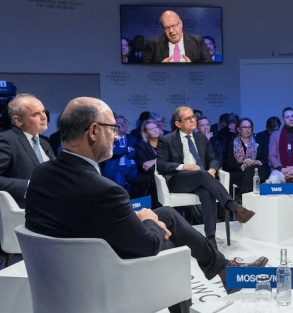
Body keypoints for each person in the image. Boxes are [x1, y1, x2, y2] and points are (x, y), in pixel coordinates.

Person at [24, 97, 268, 309]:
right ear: (94, 131)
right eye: (113, 129)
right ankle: (221, 275)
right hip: (105, 274)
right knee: (166, 233)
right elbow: (149, 246)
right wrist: (148, 220)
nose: (117, 136)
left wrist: (139, 216)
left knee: (167, 214)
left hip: (60, 272)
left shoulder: (41, 173)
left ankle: (226, 270)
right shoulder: (106, 190)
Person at [157, 106, 255, 244]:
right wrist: (184, 166)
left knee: (206, 192)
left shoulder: (201, 138)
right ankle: (234, 206)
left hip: (202, 179)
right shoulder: (166, 139)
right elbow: (161, 165)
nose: (192, 120)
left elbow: (213, 159)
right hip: (178, 180)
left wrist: (213, 171)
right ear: (178, 123)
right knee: (202, 175)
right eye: (188, 118)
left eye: (193, 117)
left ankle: (210, 239)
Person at [0, 94, 55, 208]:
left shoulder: (44, 143)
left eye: (43, 112)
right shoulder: (7, 140)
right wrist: (29, 186)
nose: (44, 117)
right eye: (36, 114)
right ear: (18, 120)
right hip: (26, 212)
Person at [142, 10, 212, 63]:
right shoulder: (152, 43)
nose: (171, 31)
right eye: (166, 28)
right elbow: (143, 70)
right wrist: (160, 67)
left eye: (173, 26)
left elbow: (210, 66)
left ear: (181, 24)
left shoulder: (197, 41)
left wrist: (192, 67)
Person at [224, 118, 271, 196]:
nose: (247, 130)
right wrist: (244, 166)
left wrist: (256, 162)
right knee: (252, 172)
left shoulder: (258, 142)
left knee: (256, 169)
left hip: (257, 170)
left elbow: (265, 160)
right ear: (239, 129)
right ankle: (247, 196)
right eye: (244, 127)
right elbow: (229, 164)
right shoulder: (232, 143)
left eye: (249, 127)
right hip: (239, 172)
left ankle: (243, 195)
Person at [102, 115, 138, 193]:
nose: (122, 124)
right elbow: (111, 151)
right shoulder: (109, 139)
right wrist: (127, 149)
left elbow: (138, 152)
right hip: (118, 168)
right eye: (119, 123)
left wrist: (121, 151)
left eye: (123, 122)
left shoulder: (132, 138)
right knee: (119, 189)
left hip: (133, 167)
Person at [134, 120, 162, 205]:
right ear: (146, 133)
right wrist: (163, 162)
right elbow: (148, 169)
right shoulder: (140, 147)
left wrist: (154, 161)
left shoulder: (166, 144)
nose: (155, 130)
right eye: (151, 129)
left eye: (156, 127)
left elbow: (173, 161)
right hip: (148, 180)